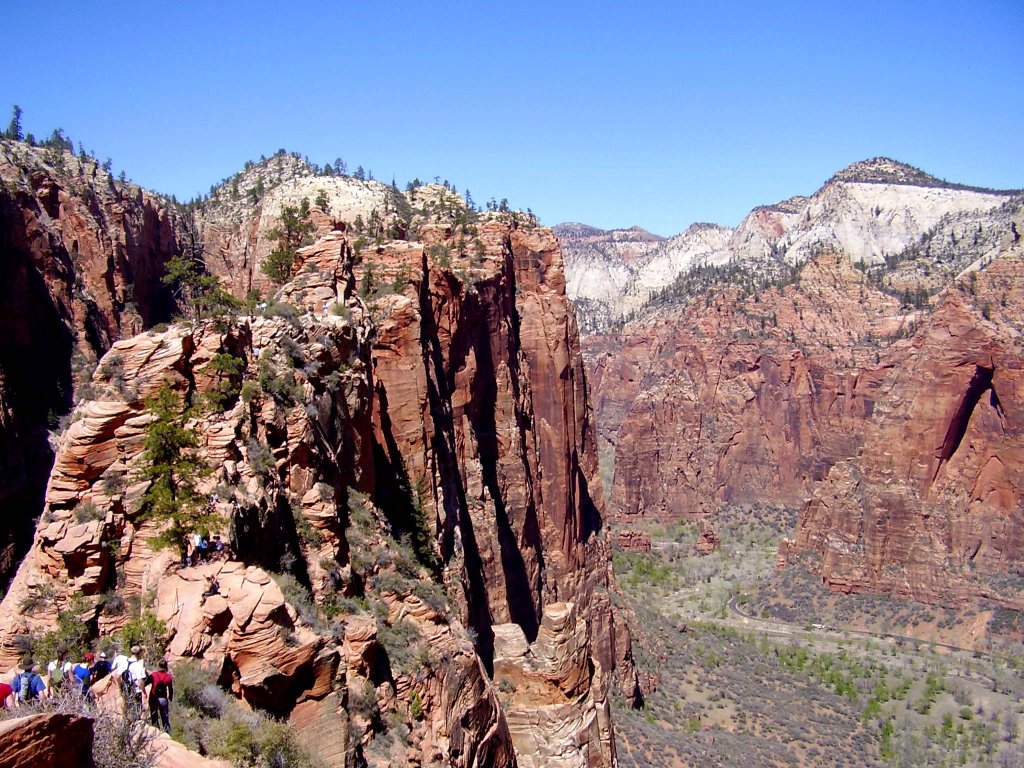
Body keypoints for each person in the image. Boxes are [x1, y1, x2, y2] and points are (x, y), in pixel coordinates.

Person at [145, 659, 174, 734]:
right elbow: (170, 689)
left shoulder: (153, 675)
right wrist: (170, 698)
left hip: (153, 698)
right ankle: (167, 734)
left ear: (158, 666)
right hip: (163, 699)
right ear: (166, 667)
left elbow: (145, 683)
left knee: (154, 717)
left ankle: (156, 734)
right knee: (165, 719)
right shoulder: (168, 677)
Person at [126, 647, 146, 715]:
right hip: (136, 690)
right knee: (138, 709)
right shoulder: (137, 665)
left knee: (130, 709)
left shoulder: (126, 662)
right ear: (139, 654)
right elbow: (140, 680)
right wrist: (144, 692)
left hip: (127, 689)